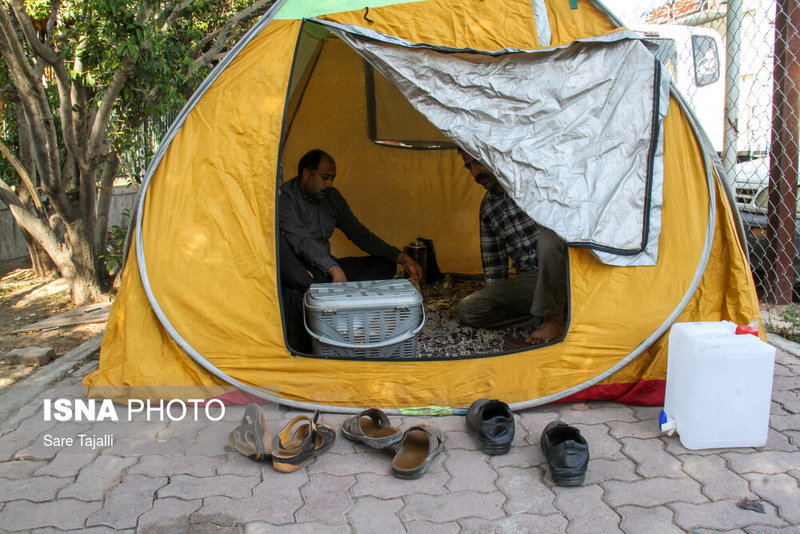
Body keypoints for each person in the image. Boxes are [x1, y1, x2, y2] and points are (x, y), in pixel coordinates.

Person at [279, 149, 422, 350]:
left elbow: (360, 234)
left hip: (327, 269)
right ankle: (336, 299)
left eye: (332, 178)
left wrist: (403, 258)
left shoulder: (332, 197)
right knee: (300, 291)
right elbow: (302, 241)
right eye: (325, 177)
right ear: (305, 174)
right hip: (303, 273)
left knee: (384, 265)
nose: (329, 184)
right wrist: (334, 269)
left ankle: (346, 299)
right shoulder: (285, 198)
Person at [456, 149, 567, 345]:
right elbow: (494, 263)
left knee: (549, 240)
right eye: (469, 167)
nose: (475, 173)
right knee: (468, 310)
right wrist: (495, 297)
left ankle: (553, 320)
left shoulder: (535, 184)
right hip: (530, 280)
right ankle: (552, 314)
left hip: (564, 271)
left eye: (478, 162)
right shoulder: (488, 208)